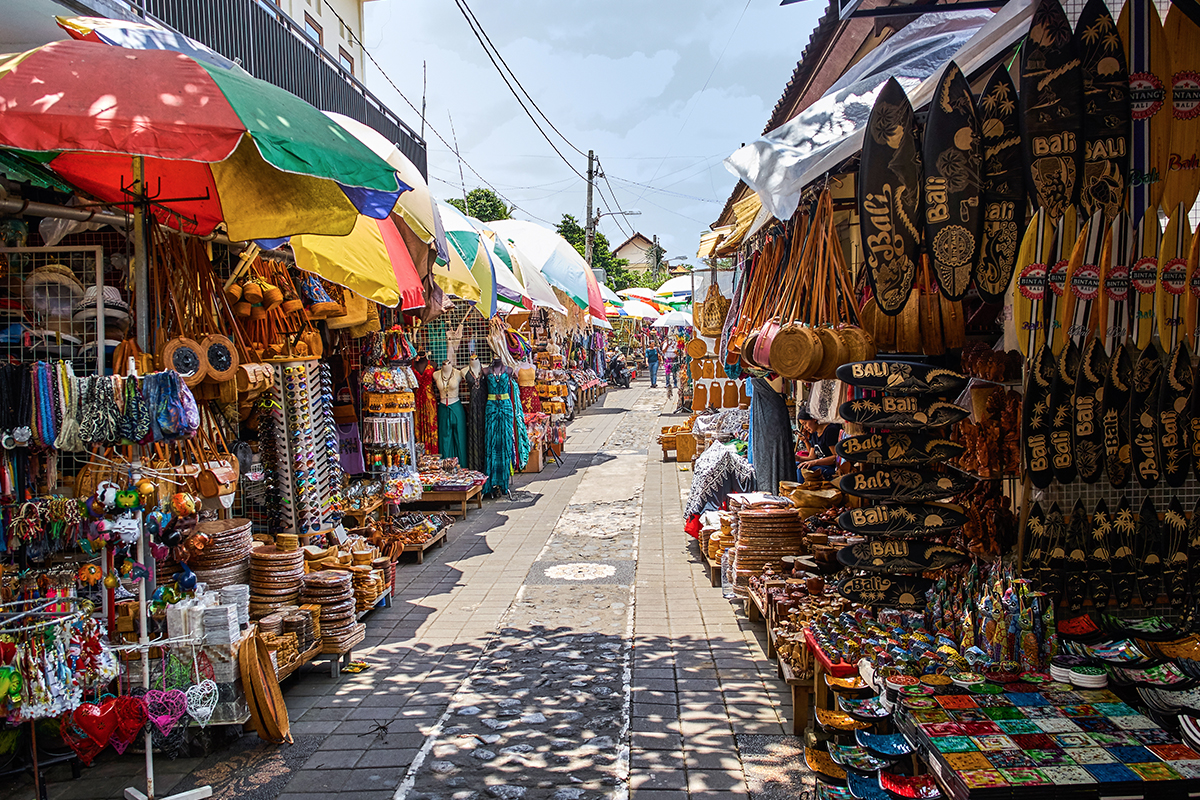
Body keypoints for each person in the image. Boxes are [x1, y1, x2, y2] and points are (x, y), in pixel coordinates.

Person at [797, 408, 841, 480]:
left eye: (805, 423)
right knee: (795, 465)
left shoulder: (830, 431)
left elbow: (836, 457)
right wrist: (798, 458)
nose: (805, 428)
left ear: (814, 418)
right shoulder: (814, 433)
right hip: (820, 465)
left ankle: (803, 490)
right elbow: (812, 457)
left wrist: (815, 462)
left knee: (801, 470)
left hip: (832, 468)